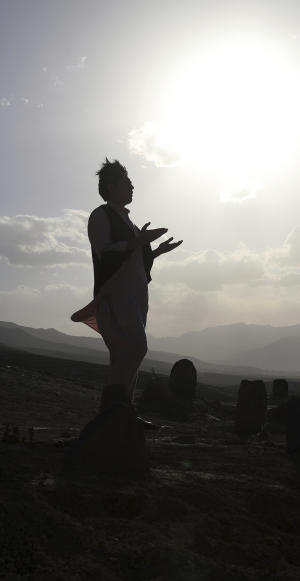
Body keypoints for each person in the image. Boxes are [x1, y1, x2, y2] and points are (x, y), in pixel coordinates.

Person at [71, 159, 182, 425]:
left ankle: (121, 412)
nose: (132, 186)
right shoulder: (101, 215)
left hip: (135, 296)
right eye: (126, 182)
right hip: (115, 294)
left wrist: (155, 251)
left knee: (124, 354)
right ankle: (115, 409)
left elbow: (133, 259)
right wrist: (138, 242)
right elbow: (105, 252)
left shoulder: (128, 222)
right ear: (111, 187)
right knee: (135, 347)